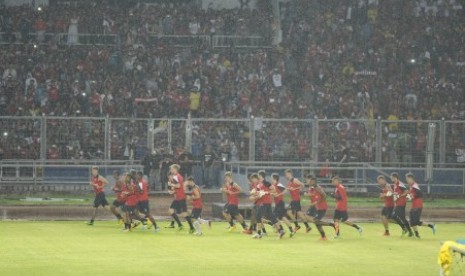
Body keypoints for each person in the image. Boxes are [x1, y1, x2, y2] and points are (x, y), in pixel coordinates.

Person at [251, 172, 285, 239]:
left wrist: (266, 193)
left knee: (258, 216)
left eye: (258, 175)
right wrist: (257, 193)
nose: (258, 177)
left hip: (265, 203)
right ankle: (280, 230)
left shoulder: (266, 183)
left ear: (261, 176)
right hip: (266, 202)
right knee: (271, 217)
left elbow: (274, 190)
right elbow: (257, 191)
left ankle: (259, 234)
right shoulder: (259, 184)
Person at [305, 175, 336, 241]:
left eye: (311, 181)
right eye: (310, 181)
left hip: (322, 207)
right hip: (317, 207)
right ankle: (323, 236)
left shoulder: (318, 188)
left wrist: (317, 202)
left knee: (316, 221)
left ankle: (332, 225)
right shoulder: (313, 188)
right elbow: (314, 196)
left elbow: (325, 196)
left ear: (314, 181)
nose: (310, 182)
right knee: (316, 222)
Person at [405, 173, 436, 238]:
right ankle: (417, 235)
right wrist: (408, 196)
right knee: (412, 221)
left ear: (411, 179)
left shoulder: (415, 186)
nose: (407, 181)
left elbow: (419, 194)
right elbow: (412, 195)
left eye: (407, 179)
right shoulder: (412, 186)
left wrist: (409, 196)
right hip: (414, 206)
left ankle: (432, 226)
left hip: (418, 206)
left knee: (416, 221)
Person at [167, 164, 195, 233]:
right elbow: (178, 187)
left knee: (184, 214)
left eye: (171, 169)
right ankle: (180, 225)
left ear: (175, 169)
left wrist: (171, 185)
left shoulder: (177, 176)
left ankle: (192, 227)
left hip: (180, 198)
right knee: (171, 211)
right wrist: (172, 192)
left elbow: (179, 185)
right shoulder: (177, 176)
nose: (171, 170)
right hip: (178, 198)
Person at [270, 173, 295, 237]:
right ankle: (291, 230)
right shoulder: (274, 185)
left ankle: (281, 230)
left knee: (274, 217)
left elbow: (285, 190)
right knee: (283, 218)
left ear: (274, 178)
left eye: (272, 178)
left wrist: (278, 195)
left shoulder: (278, 184)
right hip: (278, 203)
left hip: (280, 203)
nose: (271, 179)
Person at [391, 172, 414, 237]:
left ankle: (404, 228)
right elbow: (397, 194)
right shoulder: (395, 184)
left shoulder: (399, 183)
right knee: (402, 218)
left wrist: (400, 196)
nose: (391, 179)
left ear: (394, 177)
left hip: (401, 203)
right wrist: (395, 196)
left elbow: (407, 191)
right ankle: (410, 232)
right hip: (398, 203)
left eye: (392, 177)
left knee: (394, 216)